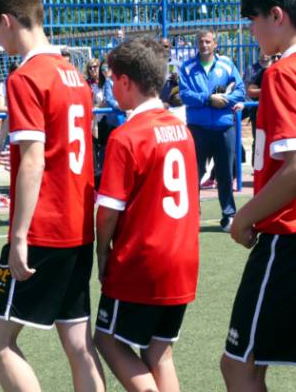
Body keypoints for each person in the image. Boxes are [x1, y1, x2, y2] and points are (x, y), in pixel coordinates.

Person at [0, 0, 105, 392]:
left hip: (44, 229)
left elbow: (34, 160)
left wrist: (18, 236)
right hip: (77, 225)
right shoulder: (74, 75)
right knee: (78, 343)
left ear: (7, 21)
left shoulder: (25, 77)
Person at [93, 38, 200, 392]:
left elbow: (108, 211)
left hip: (143, 260)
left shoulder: (126, 136)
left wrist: (102, 253)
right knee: (159, 353)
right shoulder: (182, 131)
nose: (111, 86)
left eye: (113, 79)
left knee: (107, 340)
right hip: (183, 257)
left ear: (125, 82)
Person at [220, 0, 296, 391]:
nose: (250, 29)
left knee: (240, 366)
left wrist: (244, 216)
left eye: (253, 18)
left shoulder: (283, 73)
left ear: (277, 15)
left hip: (287, 239)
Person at [179, 29, 245, 231]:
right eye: (201, 41)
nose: (204, 45)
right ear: (196, 44)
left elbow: (240, 90)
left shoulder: (226, 64)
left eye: (208, 41)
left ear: (215, 44)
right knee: (194, 175)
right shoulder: (187, 67)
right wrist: (209, 99)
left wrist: (224, 99)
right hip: (197, 129)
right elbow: (184, 94)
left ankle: (228, 216)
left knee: (225, 175)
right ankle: (192, 216)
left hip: (224, 128)